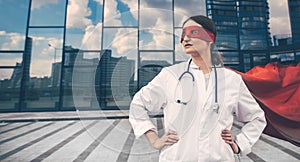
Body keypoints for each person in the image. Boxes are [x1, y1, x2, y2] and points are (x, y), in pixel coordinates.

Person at [129, 15, 266, 162]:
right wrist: (154, 139)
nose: (185, 39)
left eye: (193, 32)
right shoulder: (170, 75)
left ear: (210, 38)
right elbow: (138, 104)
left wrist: (239, 144)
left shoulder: (231, 80)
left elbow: (256, 118)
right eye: (183, 35)